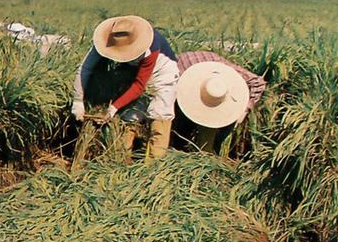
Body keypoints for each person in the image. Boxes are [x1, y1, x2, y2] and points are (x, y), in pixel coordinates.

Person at [71, 15, 178, 158]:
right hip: (134, 72)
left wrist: (113, 108)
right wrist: (78, 100)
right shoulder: (106, 41)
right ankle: (121, 159)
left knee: (159, 114)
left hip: (161, 75)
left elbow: (139, 85)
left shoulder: (150, 47)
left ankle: (154, 165)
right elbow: (85, 68)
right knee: (130, 117)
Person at [174, 52, 265, 154]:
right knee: (180, 127)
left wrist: (244, 111)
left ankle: (207, 154)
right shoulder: (176, 71)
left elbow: (258, 82)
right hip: (183, 81)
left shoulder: (222, 69)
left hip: (209, 66)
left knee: (215, 131)